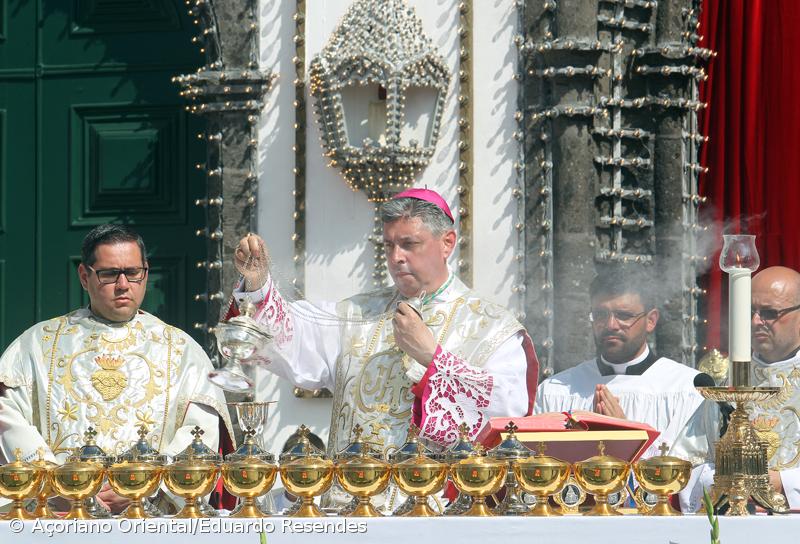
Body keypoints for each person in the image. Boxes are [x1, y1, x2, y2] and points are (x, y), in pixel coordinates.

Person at [228, 188, 538, 458]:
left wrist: (433, 359)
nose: (396, 257)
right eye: (389, 245)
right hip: (355, 505)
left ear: (447, 243)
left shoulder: (492, 328)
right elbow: (296, 339)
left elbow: (507, 416)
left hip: (440, 512)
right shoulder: (358, 314)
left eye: (409, 244)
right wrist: (257, 285)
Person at [0, 224, 232, 514]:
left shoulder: (183, 350)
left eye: (133, 273)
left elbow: (200, 433)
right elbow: (8, 418)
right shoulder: (35, 345)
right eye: (110, 274)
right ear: (85, 276)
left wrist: (143, 484)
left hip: (151, 518)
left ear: (145, 272)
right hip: (59, 518)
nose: (123, 284)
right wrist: (64, 487)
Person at [534, 265, 704, 457]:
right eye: (600, 315)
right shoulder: (555, 391)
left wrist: (627, 439)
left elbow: (695, 474)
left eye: (623, 316)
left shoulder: (687, 389)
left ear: (651, 320)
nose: (610, 325)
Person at [677, 266, 800, 512]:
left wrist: (782, 484)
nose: (756, 322)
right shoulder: (726, 382)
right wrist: (729, 483)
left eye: (769, 312)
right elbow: (685, 462)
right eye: (750, 311)